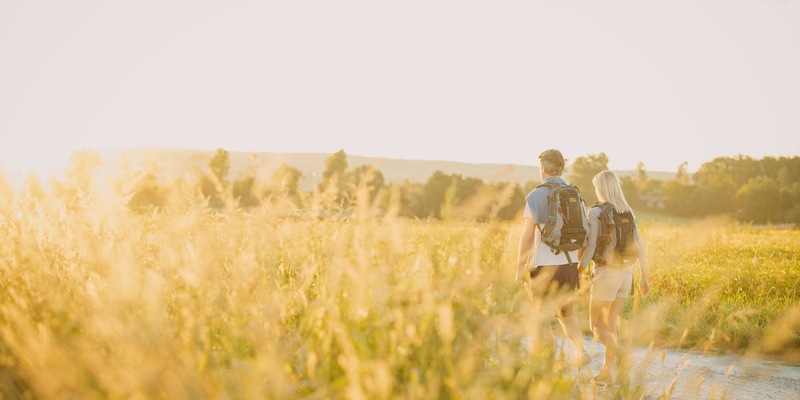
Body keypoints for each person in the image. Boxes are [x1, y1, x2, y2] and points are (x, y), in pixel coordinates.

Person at [516, 149, 588, 366]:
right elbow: (583, 233)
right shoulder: (575, 194)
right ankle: (582, 352)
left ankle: (545, 361)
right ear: (561, 168)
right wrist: (577, 265)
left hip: (544, 267)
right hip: (568, 264)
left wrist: (519, 268)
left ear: (544, 169)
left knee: (541, 317)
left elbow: (527, 237)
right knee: (567, 315)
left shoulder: (536, 195)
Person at [578, 170, 650, 385]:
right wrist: (645, 277)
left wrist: (579, 270)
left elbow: (590, 246)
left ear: (600, 188)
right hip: (627, 275)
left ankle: (622, 356)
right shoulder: (627, 211)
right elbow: (641, 247)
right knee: (611, 325)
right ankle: (607, 373)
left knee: (596, 327)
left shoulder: (596, 212)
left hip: (606, 274)